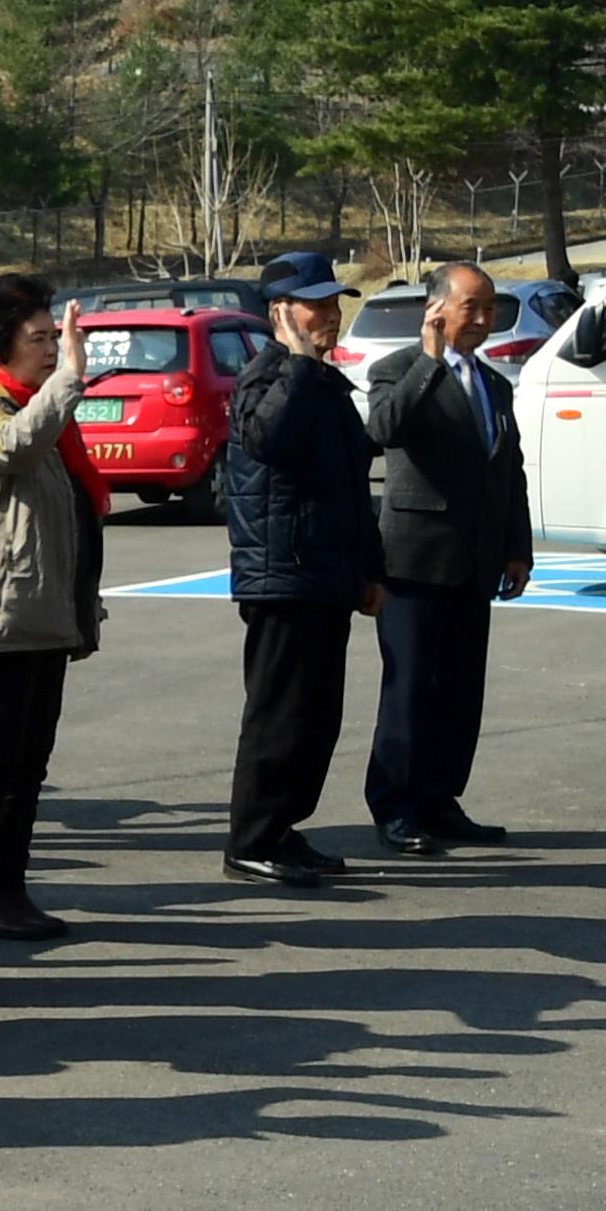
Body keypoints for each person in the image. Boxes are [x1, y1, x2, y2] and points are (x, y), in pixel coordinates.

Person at [0, 275, 103, 941]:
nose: (51, 351)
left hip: (40, 618)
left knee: (27, 766)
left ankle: (10, 888)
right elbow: (6, 448)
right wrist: (68, 381)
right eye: (38, 339)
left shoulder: (38, 405)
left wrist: (81, 611)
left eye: (54, 339)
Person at [223, 251, 385, 887]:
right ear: (280, 314)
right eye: (314, 304)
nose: (329, 316)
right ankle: (251, 838)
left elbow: (351, 486)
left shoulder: (323, 384)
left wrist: (370, 570)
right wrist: (294, 359)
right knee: (279, 714)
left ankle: (284, 827)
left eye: (334, 303)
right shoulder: (267, 379)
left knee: (317, 717)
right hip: (281, 574)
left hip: (326, 575)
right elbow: (270, 440)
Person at [361, 264, 535, 855]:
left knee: (460, 691)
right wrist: (430, 361)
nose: (483, 321)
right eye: (472, 308)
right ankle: (395, 805)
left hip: (476, 561)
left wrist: (517, 548)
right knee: (409, 689)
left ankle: (440, 799)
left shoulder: (495, 385)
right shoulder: (395, 371)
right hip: (413, 562)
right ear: (436, 311)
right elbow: (385, 428)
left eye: (490, 310)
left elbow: (507, 472)